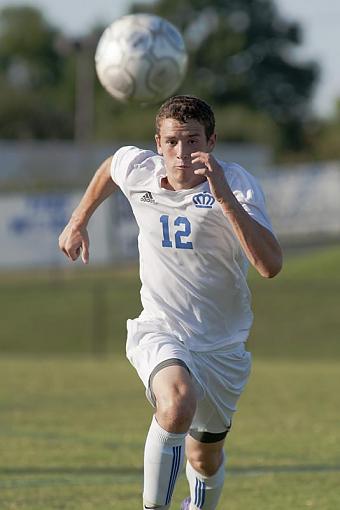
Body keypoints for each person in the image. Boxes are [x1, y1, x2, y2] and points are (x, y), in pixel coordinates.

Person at [59, 95, 282, 510]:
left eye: (193, 140)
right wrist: (78, 220)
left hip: (221, 347)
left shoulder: (238, 183)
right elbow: (112, 166)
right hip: (161, 329)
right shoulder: (140, 170)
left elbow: (269, 265)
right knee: (176, 401)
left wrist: (225, 198)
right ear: (158, 143)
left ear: (211, 141)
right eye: (172, 142)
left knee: (205, 455)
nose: (182, 153)